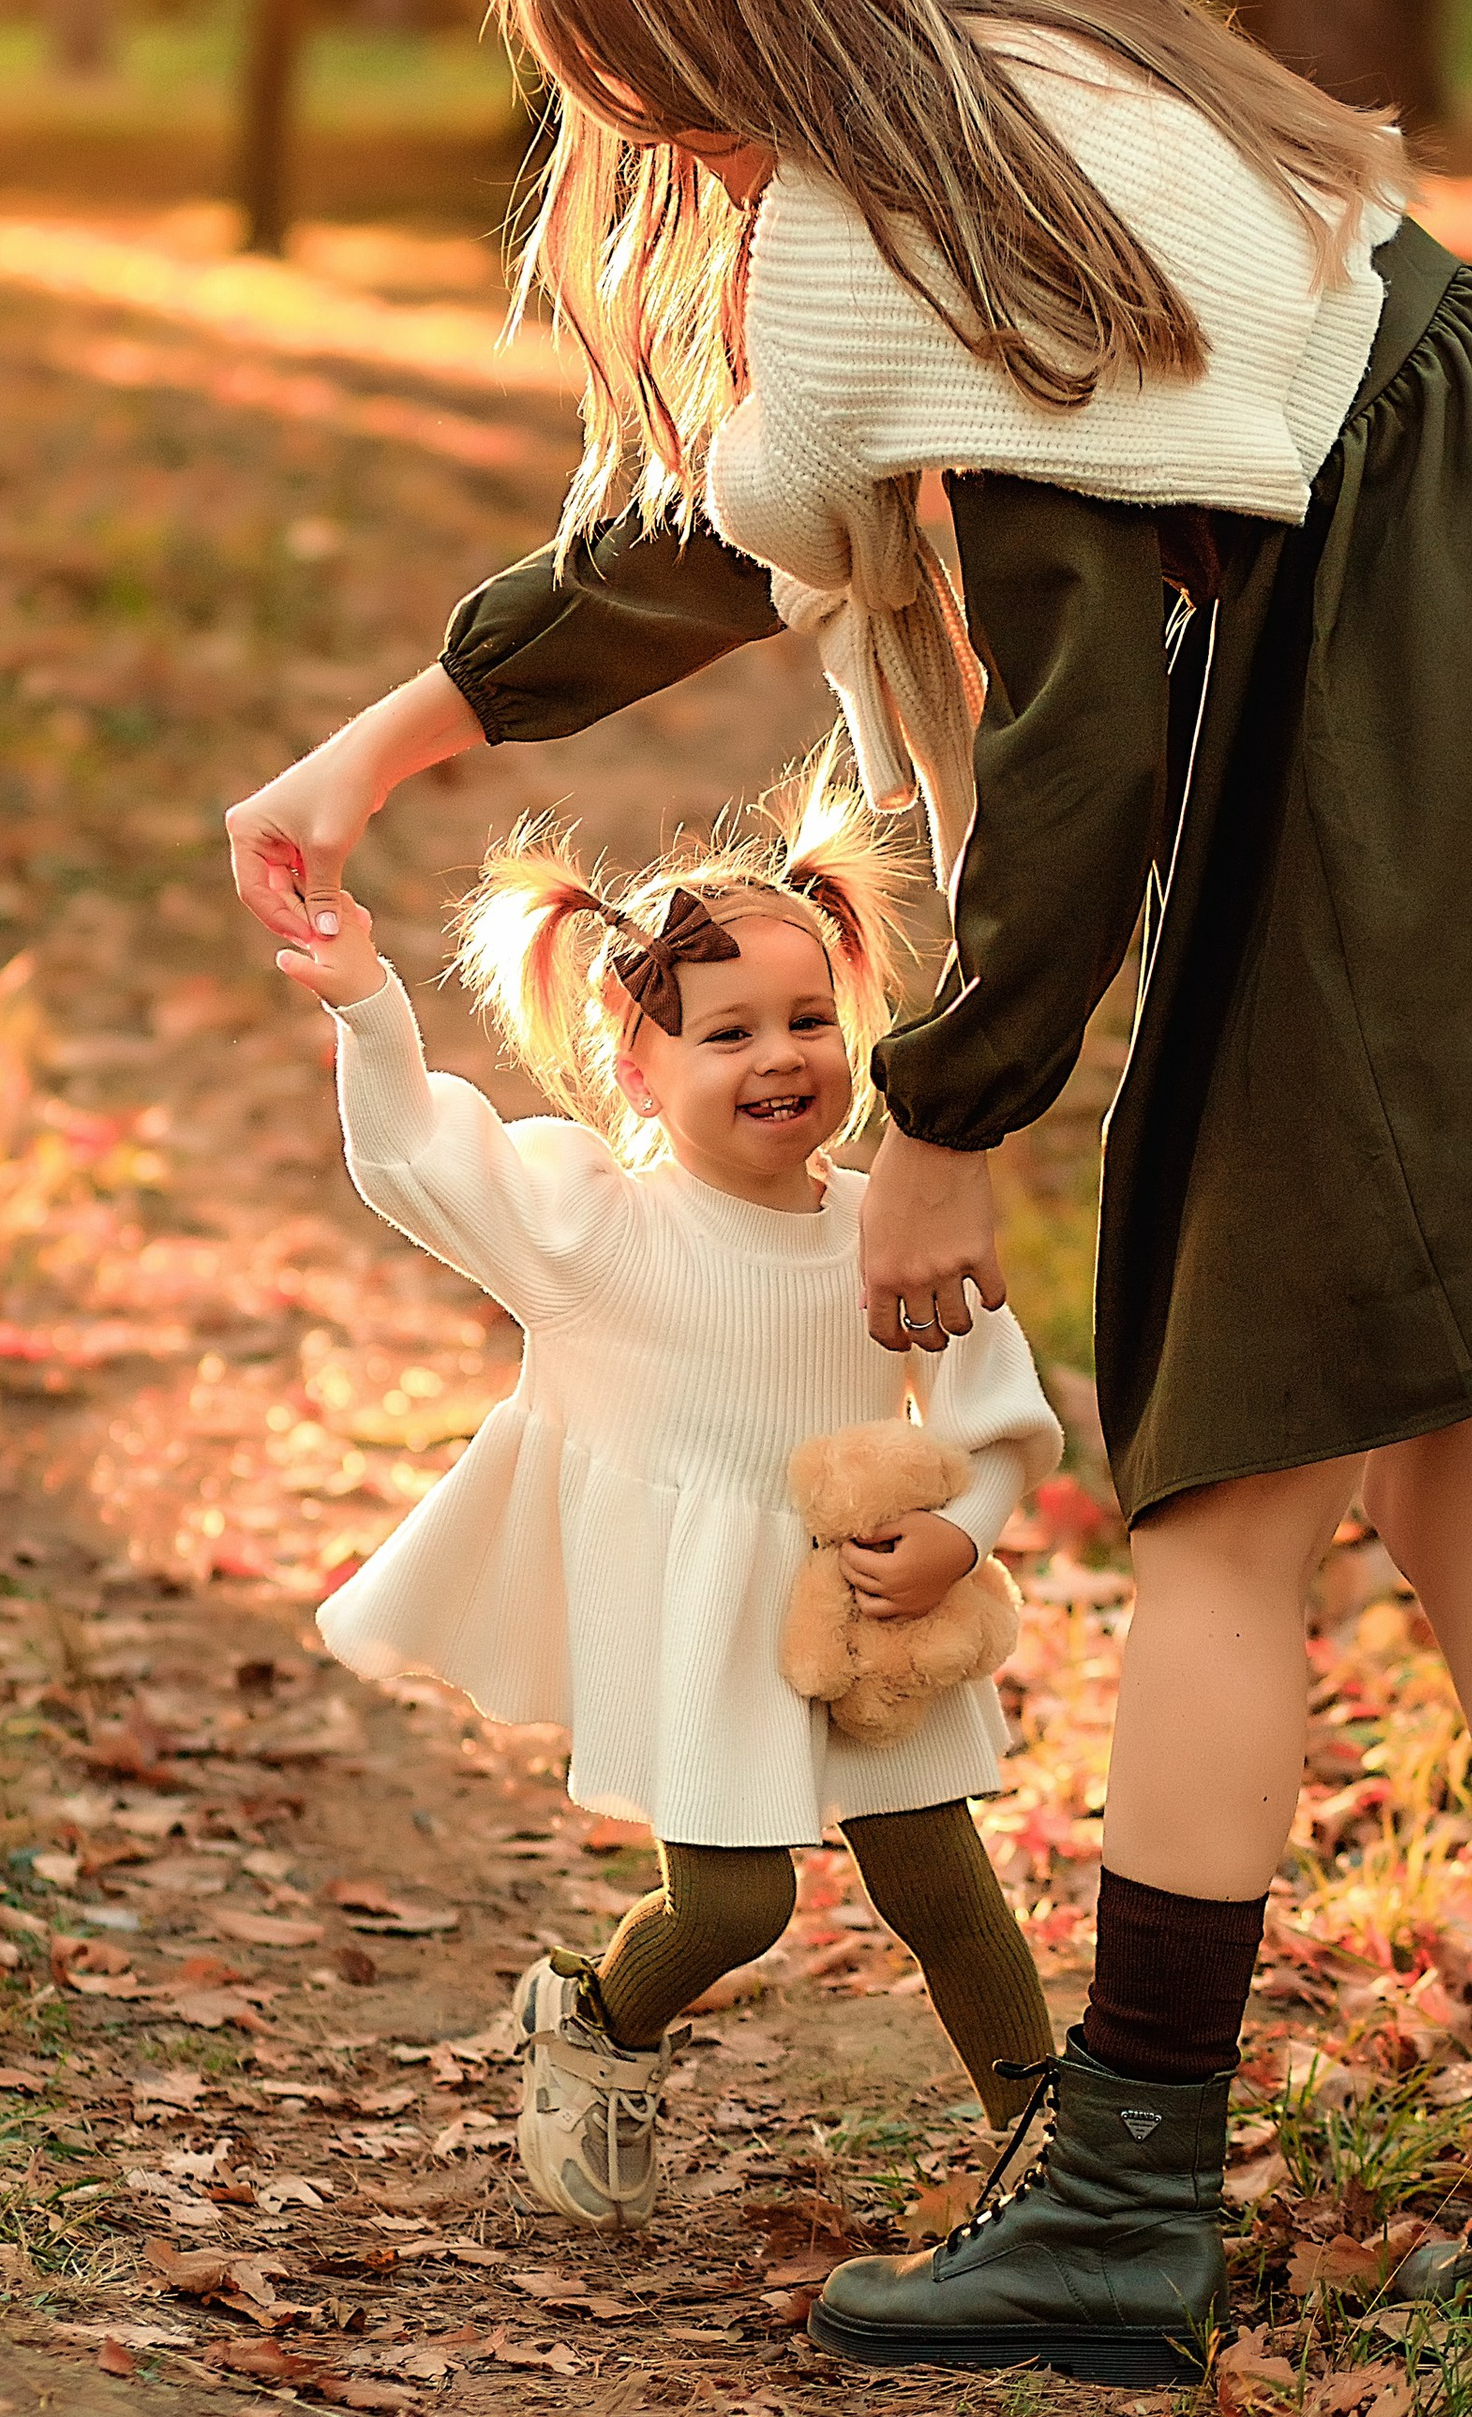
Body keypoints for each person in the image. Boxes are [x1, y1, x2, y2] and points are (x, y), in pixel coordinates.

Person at [229, 0, 1472, 2379]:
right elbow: (730, 532)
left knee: (1228, 1508)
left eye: (652, 95)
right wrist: (378, 749)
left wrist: (944, 1119)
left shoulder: (901, 212)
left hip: (1392, 758)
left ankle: (1125, 2202)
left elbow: (1083, 733)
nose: (666, 155)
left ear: (713, 33)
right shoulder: (1042, 91)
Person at [279, 762, 1065, 2242]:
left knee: (945, 1881)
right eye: (728, 1033)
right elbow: (415, 1159)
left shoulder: (888, 1226)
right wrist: (367, 1005)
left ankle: (1056, 2149)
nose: (782, 1057)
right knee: (734, 1907)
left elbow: (997, 1413)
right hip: (701, 1617)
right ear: (639, 1071)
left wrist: (961, 1535)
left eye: (810, 1019)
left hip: (872, 1606)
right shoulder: (596, 1232)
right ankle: (597, 2015)